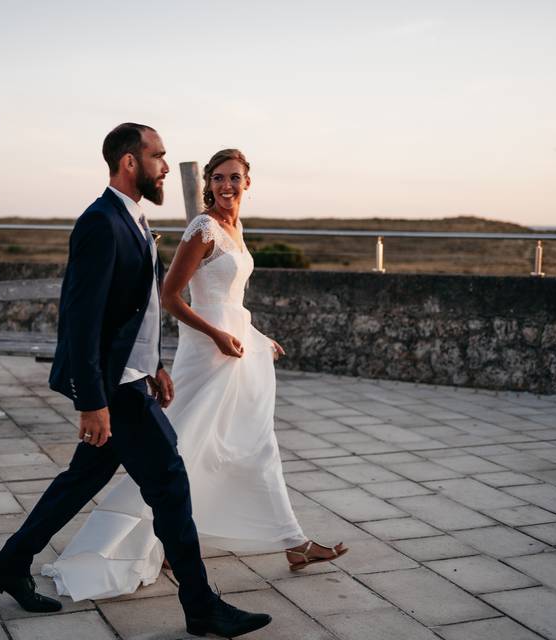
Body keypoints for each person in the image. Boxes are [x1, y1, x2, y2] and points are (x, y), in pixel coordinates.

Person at [0, 125, 272, 638]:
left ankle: (9, 564)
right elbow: (80, 318)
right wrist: (91, 402)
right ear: (130, 163)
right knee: (171, 482)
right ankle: (200, 606)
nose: (165, 164)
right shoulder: (100, 222)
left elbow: (134, 312)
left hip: (134, 379)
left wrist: (155, 365)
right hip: (115, 391)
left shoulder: (134, 219)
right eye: (157, 156)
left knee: (81, 481)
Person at [43, 148, 347, 601]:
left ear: (248, 182)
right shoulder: (203, 228)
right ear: (209, 182)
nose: (227, 186)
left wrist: (257, 336)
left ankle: (294, 543)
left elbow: (228, 300)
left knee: (255, 445)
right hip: (207, 355)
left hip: (237, 351)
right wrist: (219, 337)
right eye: (220, 178)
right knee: (183, 447)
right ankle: (152, 538)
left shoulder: (236, 228)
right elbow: (171, 297)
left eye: (235, 178)